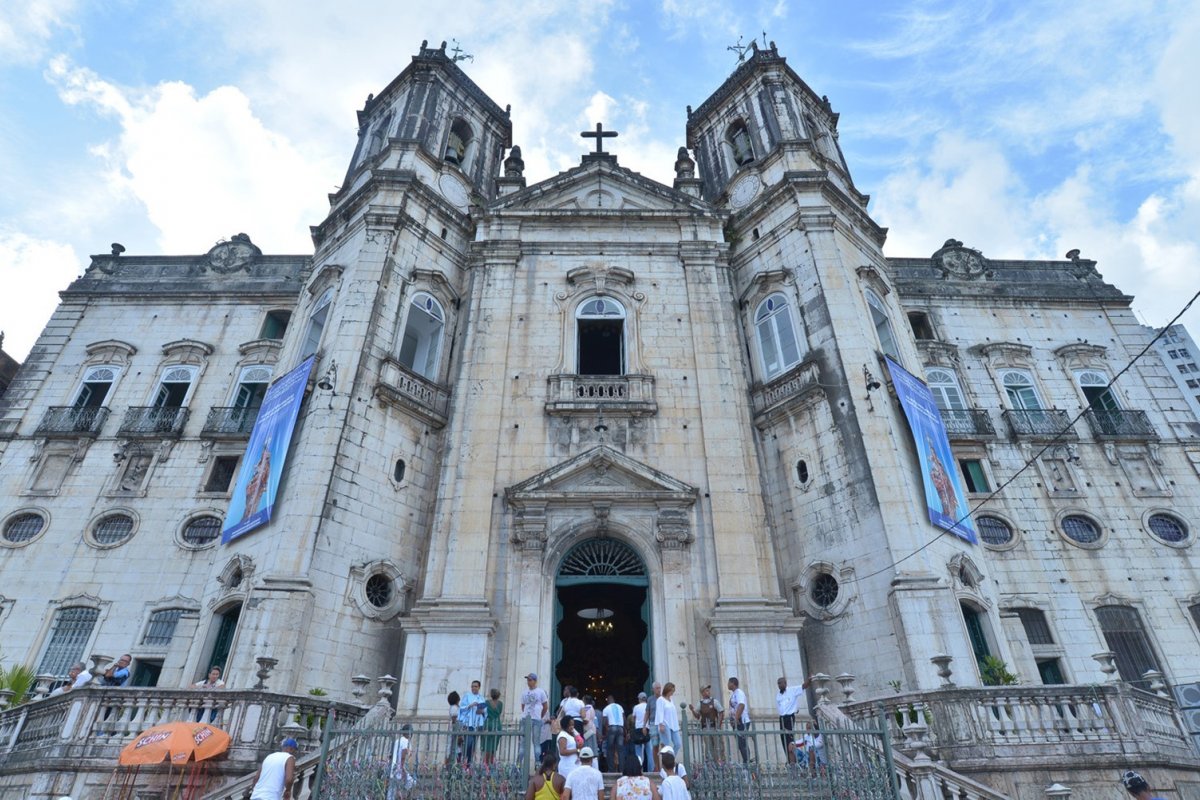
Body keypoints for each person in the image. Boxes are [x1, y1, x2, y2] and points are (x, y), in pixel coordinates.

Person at [687, 685, 724, 763]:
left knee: (718, 747)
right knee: (708, 747)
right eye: (706, 691)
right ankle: (710, 765)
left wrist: (718, 726)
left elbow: (721, 712)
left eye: (708, 690)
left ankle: (720, 764)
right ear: (702, 692)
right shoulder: (700, 703)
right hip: (705, 728)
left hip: (714, 727)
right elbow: (697, 716)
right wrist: (693, 710)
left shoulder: (714, 701)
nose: (708, 692)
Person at [521, 673, 551, 762]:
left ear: (535, 681)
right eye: (528, 680)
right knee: (523, 743)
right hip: (526, 718)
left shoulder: (541, 692)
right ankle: (519, 764)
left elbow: (545, 706)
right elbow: (522, 706)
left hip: (536, 719)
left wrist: (539, 716)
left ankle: (537, 762)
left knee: (536, 742)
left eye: (530, 680)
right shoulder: (524, 692)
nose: (528, 682)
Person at [775, 676, 805, 763]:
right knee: (783, 739)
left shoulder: (792, 690)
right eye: (778, 683)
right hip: (782, 718)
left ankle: (793, 762)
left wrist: (809, 680)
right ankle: (788, 759)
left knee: (789, 740)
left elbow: (803, 686)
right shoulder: (778, 695)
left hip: (789, 717)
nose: (780, 685)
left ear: (785, 683)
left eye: (781, 683)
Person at [460, 680, 487, 764]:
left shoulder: (482, 698)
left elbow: (486, 711)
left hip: (478, 724)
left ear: (479, 687)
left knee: (473, 744)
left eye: (475, 686)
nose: (473, 688)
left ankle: (470, 762)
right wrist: (470, 705)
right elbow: (462, 708)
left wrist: (482, 711)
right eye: (472, 686)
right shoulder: (467, 696)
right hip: (469, 723)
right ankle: (465, 760)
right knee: (468, 743)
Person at [727, 677, 750, 765]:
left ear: (733, 683)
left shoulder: (739, 693)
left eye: (729, 683)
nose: (727, 685)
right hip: (737, 722)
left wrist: (736, 719)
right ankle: (746, 761)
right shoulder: (733, 694)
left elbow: (741, 705)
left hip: (742, 721)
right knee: (740, 744)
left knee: (742, 743)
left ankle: (746, 763)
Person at [388, 724, 415, 800]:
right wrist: (403, 768)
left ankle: (400, 797)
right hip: (400, 768)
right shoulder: (406, 742)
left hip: (393, 768)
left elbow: (391, 755)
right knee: (411, 783)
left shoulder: (398, 741)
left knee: (392, 790)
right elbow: (404, 755)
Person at [601, 693, 625, 773]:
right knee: (620, 750)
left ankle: (611, 770)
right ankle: (622, 770)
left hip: (612, 728)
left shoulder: (606, 708)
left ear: (608, 701)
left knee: (610, 750)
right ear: (614, 700)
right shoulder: (620, 707)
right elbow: (624, 719)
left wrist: (606, 732)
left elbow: (604, 722)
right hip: (620, 728)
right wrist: (625, 730)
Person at [656, 683, 682, 753]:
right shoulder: (660, 699)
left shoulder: (671, 700)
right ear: (667, 690)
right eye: (671, 691)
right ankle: (668, 762)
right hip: (665, 724)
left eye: (673, 691)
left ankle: (670, 759)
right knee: (667, 745)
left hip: (673, 725)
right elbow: (659, 712)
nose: (672, 693)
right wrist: (661, 724)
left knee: (678, 744)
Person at [482, 688, 504, 765]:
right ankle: (491, 763)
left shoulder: (486, 702)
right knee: (494, 747)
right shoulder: (500, 704)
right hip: (497, 724)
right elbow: (499, 713)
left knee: (487, 746)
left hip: (488, 724)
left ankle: (486, 764)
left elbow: (483, 712)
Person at [631, 692, 651, 772]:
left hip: (638, 730)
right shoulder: (648, 706)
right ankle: (651, 770)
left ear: (639, 699)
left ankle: (639, 770)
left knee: (638, 752)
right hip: (647, 729)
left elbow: (633, 719)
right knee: (649, 752)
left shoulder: (636, 707)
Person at [647, 682, 662, 772]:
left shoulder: (663, 698)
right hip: (652, 723)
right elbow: (647, 712)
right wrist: (644, 726)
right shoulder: (650, 699)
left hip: (662, 724)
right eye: (657, 688)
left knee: (663, 746)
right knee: (655, 746)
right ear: (653, 689)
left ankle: (664, 767)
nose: (659, 690)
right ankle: (657, 767)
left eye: (660, 688)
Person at [446, 691, 461, 764]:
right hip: (455, 731)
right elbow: (454, 719)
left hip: (457, 731)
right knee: (452, 750)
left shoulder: (456, 707)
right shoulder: (454, 708)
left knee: (458, 751)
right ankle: (447, 767)